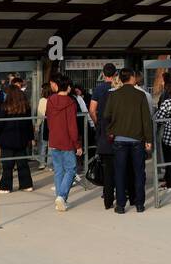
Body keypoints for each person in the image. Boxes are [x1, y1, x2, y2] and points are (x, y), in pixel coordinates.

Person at [103, 68, 154, 213]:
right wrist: (148, 139)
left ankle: (120, 205)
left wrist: (112, 130)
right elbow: (146, 119)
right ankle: (139, 204)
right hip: (137, 139)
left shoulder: (114, 95)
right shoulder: (140, 95)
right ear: (132, 78)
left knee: (120, 172)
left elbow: (107, 115)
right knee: (139, 172)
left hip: (119, 139)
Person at [44, 76, 81, 211]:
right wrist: (77, 144)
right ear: (68, 87)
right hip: (67, 140)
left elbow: (48, 121)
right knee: (71, 169)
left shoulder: (50, 100)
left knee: (58, 170)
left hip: (54, 138)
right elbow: (72, 126)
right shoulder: (71, 102)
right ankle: (62, 196)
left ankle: (60, 198)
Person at [0, 83, 34, 192]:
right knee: (22, 163)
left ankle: (5, 186)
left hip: (7, 139)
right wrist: (31, 137)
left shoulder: (5, 106)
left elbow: (0, 124)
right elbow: (29, 123)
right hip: (22, 138)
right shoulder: (25, 106)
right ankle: (26, 185)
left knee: (7, 164)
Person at [89, 64, 118, 208]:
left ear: (103, 74)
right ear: (116, 73)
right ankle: (121, 193)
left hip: (104, 131)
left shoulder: (99, 89)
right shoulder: (119, 88)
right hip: (119, 131)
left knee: (107, 166)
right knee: (120, 164)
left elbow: (92, 109)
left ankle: (107, 198)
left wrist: (97, 124)